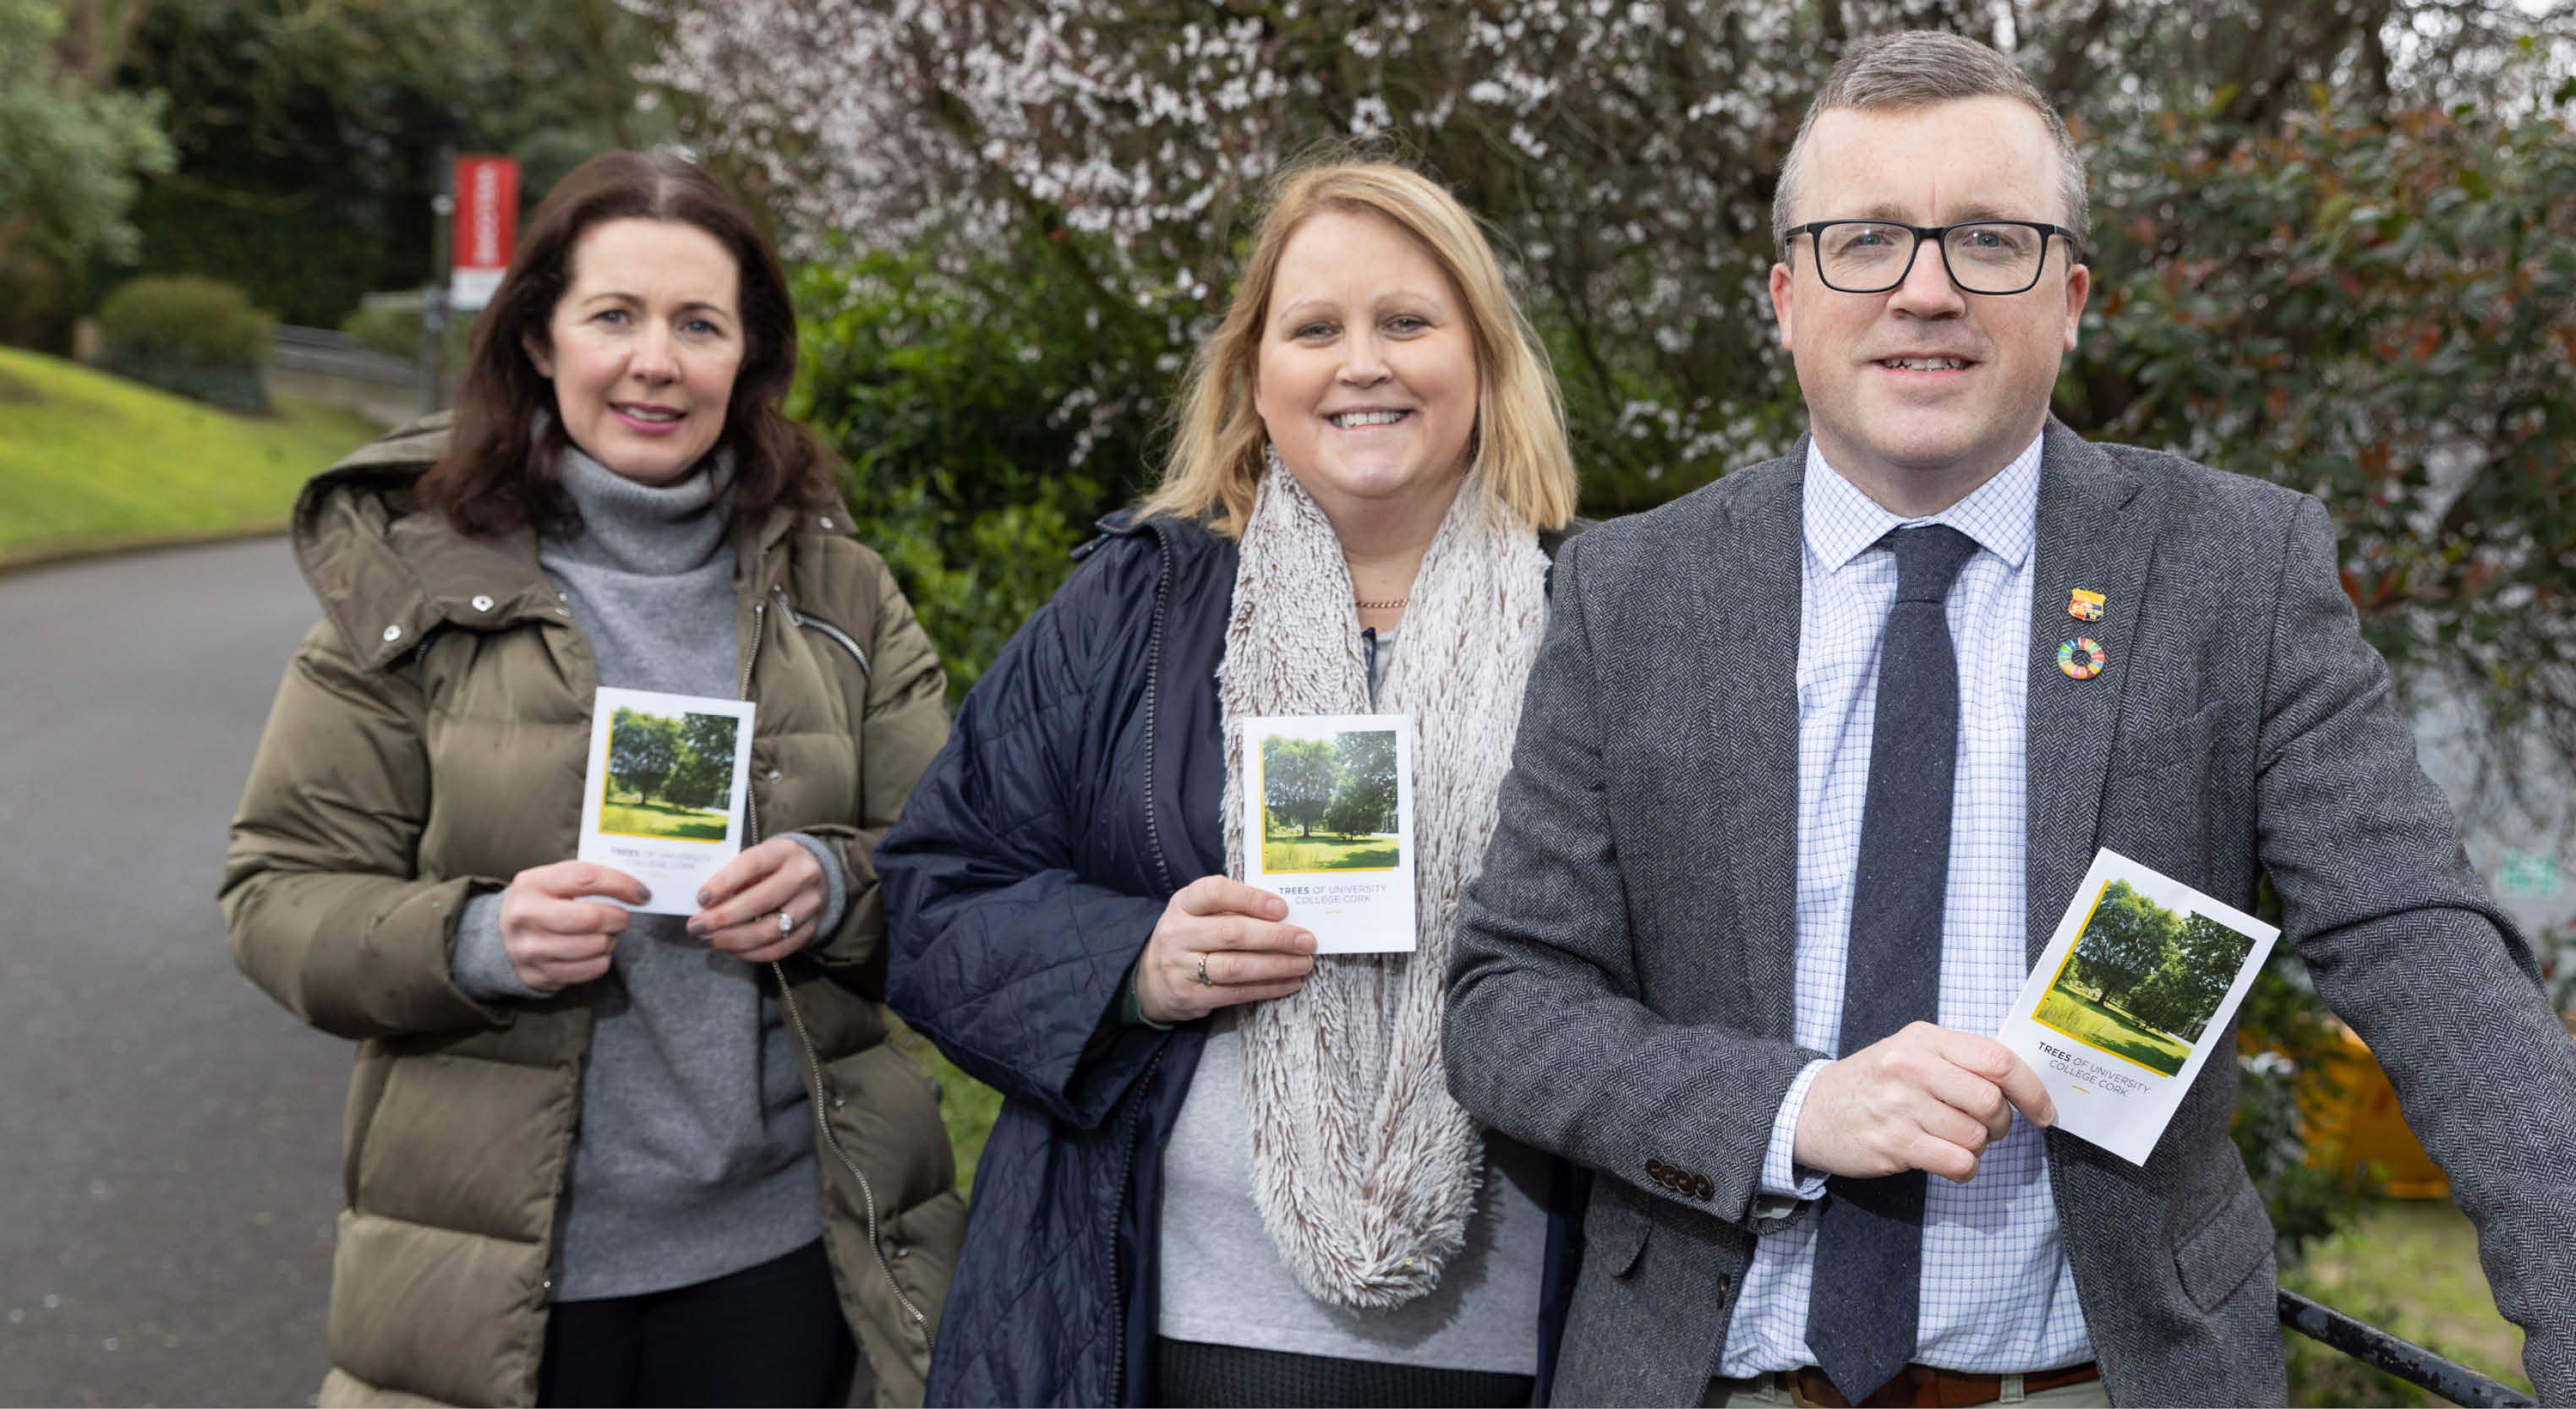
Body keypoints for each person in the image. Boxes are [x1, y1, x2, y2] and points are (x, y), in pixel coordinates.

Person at [1440, 30, 2576, 1409]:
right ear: (1784, 297)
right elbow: (1510, 1004)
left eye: (1989, 242)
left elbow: (2423, 955)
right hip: (1706, 1382)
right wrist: (1789, 1111)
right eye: (1865, 240)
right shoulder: (1630, 591)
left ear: (2069, 298)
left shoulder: (2228, 576)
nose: (1925, 290)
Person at [221, 150, 961, 1408]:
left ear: (751, 357)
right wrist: (472, 936)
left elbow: (949, 865)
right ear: (537, 340)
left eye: (698, 324)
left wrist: (836, 889)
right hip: (497, 1266)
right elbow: (276, 894)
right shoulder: (412, 585)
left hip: (778, 1255)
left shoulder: (843, 598)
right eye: (613, 315)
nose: (655, 361)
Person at [875, 159, 1582, 1408]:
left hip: (1519, 1350)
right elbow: (935, 892)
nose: (1360, 362)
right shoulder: (1133, 608)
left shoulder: (1596, 617)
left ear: (1482, 357)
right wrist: (1129, 967)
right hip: (1164, 1330)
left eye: (1406, 322)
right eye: (1315, 328)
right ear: (1255, 376)